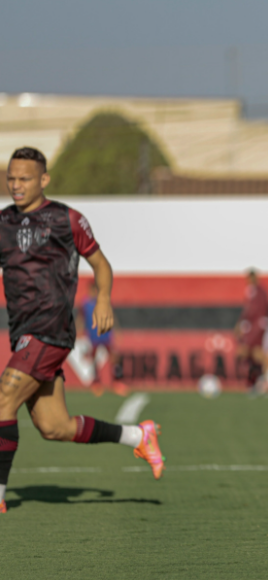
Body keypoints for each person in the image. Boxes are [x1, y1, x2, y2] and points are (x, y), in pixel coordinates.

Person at [0, 147, 165, 514]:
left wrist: (103, 299)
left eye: (24, 178)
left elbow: (100, 264)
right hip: (23, 334)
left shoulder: (67, 219)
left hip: (50, 329)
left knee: (2, 400)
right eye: (11, 178)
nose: (16, 185)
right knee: (54, 426)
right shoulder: (3, 224)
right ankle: (138, 436)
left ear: (44, 180)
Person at [77, 282, 128, 396]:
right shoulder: (85, 304)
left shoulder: (103, 302)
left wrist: (117, 330)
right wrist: (77, 330)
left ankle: (117, 382)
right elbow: (81, 318)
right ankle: (96, 384)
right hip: (93, 336)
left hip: (106, 334)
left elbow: (112, 316)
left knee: (114, 358)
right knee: (94, 360)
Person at [234, 269, 268, 394]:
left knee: (250, 352)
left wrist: (242, 323)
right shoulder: (254, 291)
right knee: (252, 354)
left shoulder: (258, 291)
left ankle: (259, 381)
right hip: (254, 326)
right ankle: (255, 382)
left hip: (256, 327)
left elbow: (253, 310)